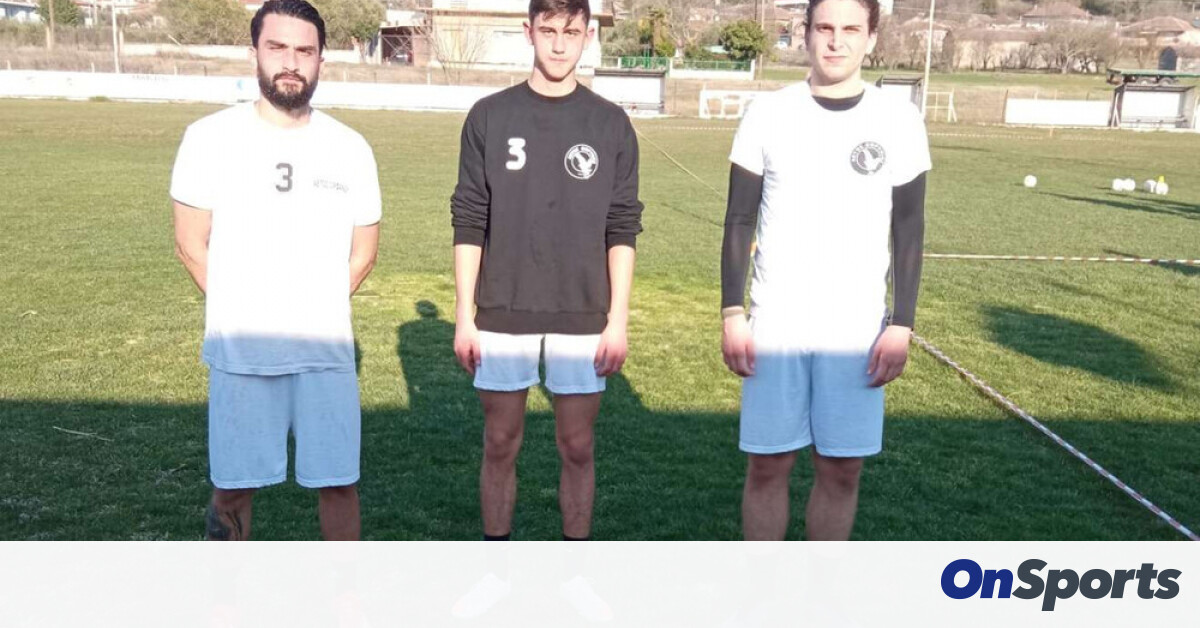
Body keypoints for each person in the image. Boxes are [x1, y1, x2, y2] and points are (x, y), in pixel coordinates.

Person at [720, 0, 930, 540]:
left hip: (855, 329)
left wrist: (902, 324)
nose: (837, 41)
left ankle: (820, 586)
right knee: (768, 465)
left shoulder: (899, 120)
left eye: (851, 29)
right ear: (806, 33)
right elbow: (739, 218)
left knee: (841, 469)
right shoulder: (768, 113)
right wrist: (732, 311)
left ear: (872, 38)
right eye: (825, 28)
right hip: (776, 323)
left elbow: (908, 227)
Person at [171, 0, 381, 540]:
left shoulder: (350, 148)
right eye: (278, 47)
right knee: (232, 489)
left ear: (321, 60)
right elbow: (191, 245)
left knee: (339, 484)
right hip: (241, 353)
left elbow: (363, 253)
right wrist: (245, 311)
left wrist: (313, 309)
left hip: (324, 353)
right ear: (254, 53)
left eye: (304, 51)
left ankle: (344, 592)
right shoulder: (208, 138)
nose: (291, 62)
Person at [450, 0, 643, 543]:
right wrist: (464, 315)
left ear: (588, 36)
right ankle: (496, 563)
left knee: (577, 446)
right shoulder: (489, 116)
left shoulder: (610, 123)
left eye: (572, 32)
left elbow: (622, 226)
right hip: (502, 307)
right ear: (528, 31)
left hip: (582, 310)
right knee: (500, 442)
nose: (559, 44)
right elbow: (469, 218)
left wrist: (618, 320)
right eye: (549, 30)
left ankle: (574, 569)